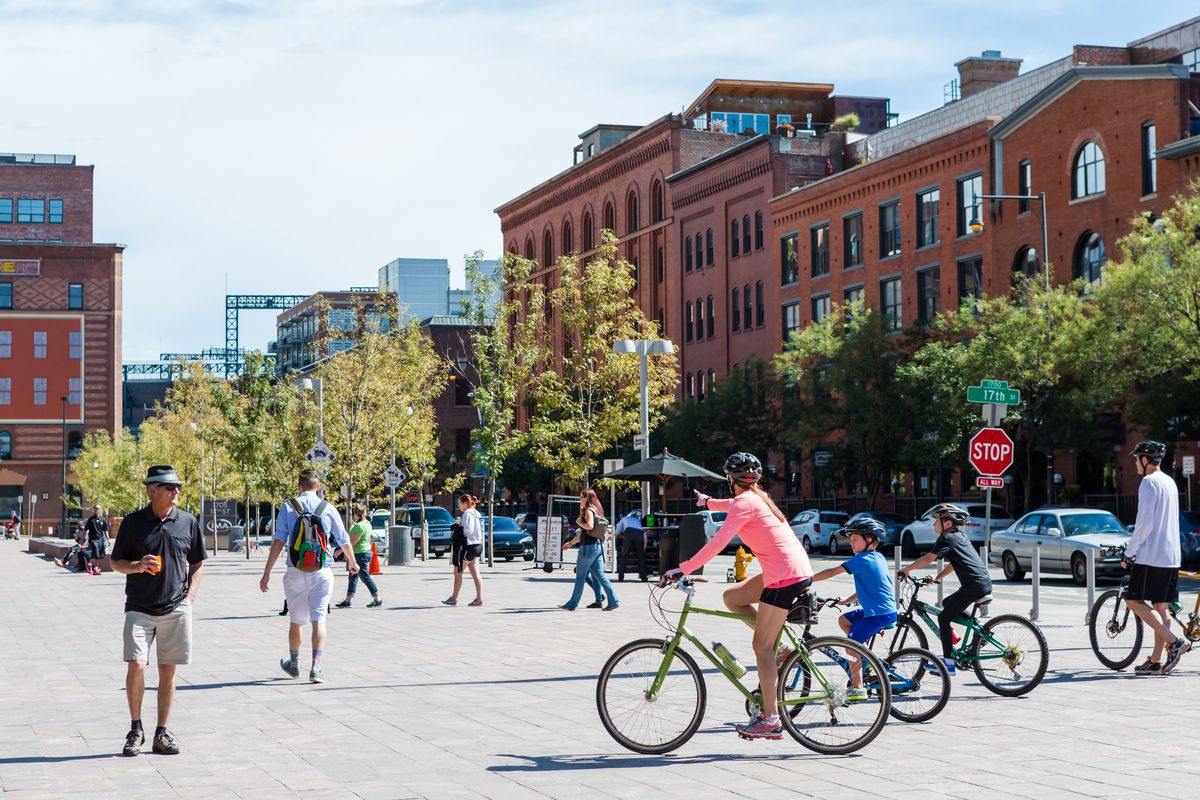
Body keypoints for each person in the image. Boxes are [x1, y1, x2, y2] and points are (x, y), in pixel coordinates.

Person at [664, 452, 814, 741]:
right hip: (786, 570)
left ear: (731, 480)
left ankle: (771, 719)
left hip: (785, 576)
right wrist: (707, 502)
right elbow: (730, 505)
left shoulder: (746, 502)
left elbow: (719, 541)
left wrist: (683, 569)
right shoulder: (756, 498)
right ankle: (781, 650)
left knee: (761, 645)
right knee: (733, 597)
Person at [109, 465, 207, 757]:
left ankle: (161, 733)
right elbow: (115, 562)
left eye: (177, 486)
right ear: (153, 490)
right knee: (137, 665)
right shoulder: (133, 523)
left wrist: (189, 597)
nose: (176, 491)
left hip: (176, 607)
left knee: (167, 671)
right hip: (139, 607)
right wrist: (136, 566)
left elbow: (198, 562)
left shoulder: (188, 522)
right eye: (169, 487)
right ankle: (135, 728)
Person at [259, 469, 358, 684]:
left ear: (299, 485)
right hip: (322, 571)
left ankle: (294, 664)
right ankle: (316, 668)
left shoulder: (288, 506)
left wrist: (267, 573)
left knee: (296, 621)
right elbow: (343, 539)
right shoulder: (328, 508)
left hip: (295, 570)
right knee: (319, 619)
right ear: (318, 486)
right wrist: (352, 561)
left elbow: (278, 540)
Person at [898, 503, 992, 675]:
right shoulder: (959, 536)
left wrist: (907, 569)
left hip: (973, 586)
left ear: (947, 523)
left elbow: (928, 558)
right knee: (946, 603)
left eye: (936, 521)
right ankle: (981, 632)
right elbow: (954, 563)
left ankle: (948, 663)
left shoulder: (946, 538)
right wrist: (936, 577)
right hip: (981, 583)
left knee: (943, 618)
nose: (933, 524)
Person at [1123, 440, 1190, 674]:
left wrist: (1129, 552)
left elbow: (1144, 523)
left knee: (1133, 601)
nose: (1135, 462)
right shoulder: (1170, 482)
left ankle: (1175, 641)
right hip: (1172, 556)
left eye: (1136, 458)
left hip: (1151, 556)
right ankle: (1155, 660)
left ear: (1145, 459)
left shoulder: (1148, 483)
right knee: (1161, 608)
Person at [810, 518, 896, 699]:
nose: (851, 543)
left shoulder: (862, 559)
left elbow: (833, 571)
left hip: (877, 614)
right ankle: (864, 657)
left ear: (869, 540)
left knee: (851, 642)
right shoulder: (876, 557)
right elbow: (869, 586)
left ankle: (858, 688)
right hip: (880, 611)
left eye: (855, 539)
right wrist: (847, 600)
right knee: (844, 620)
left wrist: (807, 580)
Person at [560, 488, 618, 611]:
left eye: (582, 497)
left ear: (588, 498)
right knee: (601, 576)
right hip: (597, 547)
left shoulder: (588, 511)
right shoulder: (597, 510)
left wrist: (578, 521)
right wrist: (570, 543)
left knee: (580, 577)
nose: (579, 499)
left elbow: (589, 526)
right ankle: (613, 601)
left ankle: (572, 604)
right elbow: (585, 533)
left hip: (588, 549)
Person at [335, 504, 382, 609]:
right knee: (353, 576)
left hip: (360, 554)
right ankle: (348, 600)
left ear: (356, 513)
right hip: (365, 552)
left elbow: (352, 542)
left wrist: (340, 551)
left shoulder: (358, 526)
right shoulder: (367, 524)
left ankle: (377, 598)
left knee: (364, 576)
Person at [445, 495, 484, 607]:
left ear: (465, 503)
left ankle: (453, 599)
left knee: (457, 571)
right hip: (478, 545)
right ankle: (479, 599)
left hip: (469, 546)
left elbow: (467, 530)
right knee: (475, 573)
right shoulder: (476, 513)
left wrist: (457, 528)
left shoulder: (467, 513)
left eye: (459, 503)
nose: (458, 505)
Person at [615, 509, 647, 582]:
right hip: (639, 534)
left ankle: (621, 578)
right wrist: (643, 550)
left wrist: (621, 535)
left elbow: (616, 533)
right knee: (641, 556)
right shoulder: (638, 521)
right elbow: (645, 538)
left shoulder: (623, 519)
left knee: (624, 555)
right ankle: (643, 578)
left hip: (628, 532)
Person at [84, 504, 110, 576]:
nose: (96, 510)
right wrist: (83, 539)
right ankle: (90, 567)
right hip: (93, 540)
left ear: (100, 510)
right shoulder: (91, 520)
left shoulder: (103, 520)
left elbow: (105, 530)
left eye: (97, 509)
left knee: (98, 556)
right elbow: (85, 529)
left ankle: (95, 569)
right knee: (96, 553)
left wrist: (108, 539)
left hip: (101, 539)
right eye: (95, 509)